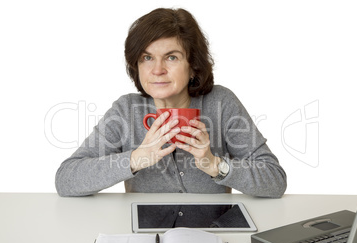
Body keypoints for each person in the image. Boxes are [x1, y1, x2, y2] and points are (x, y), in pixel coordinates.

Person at [55, 7, 287, 198]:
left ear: (193, 65)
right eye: (147, 58)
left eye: (171, 57)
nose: (157, 70)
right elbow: (66, 179)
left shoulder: (221, 103)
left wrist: (214, 164)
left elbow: (275, 180)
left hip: (210, 232)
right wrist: (135, 158)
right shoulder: (126, 111)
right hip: (146, 235)